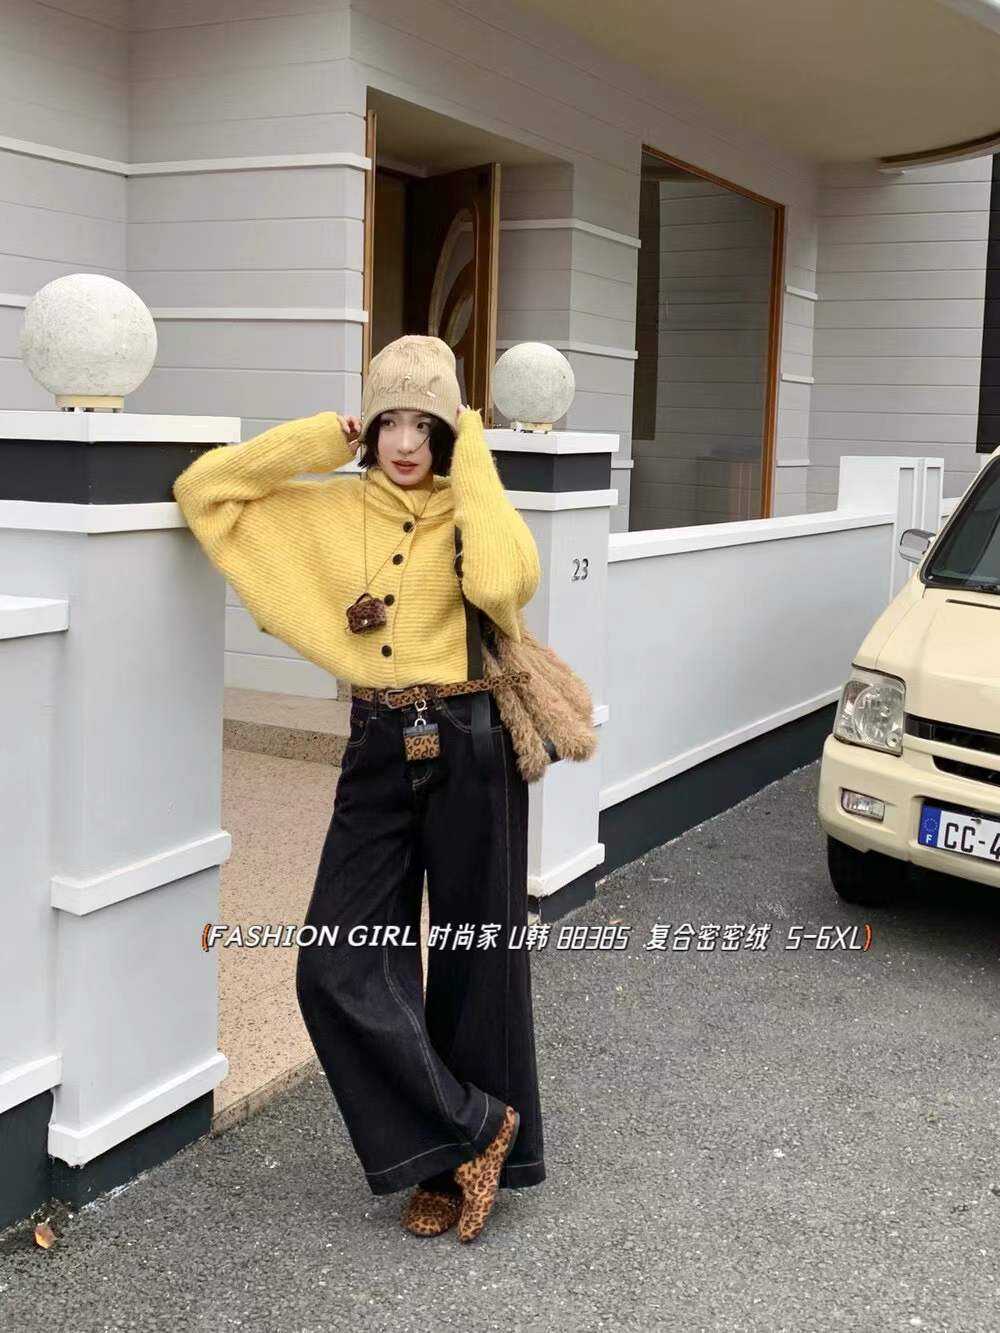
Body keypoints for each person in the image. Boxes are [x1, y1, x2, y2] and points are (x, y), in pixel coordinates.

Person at [172, 335, 546, 1243]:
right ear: (369, 426)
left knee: (474, 955)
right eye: (390, 421)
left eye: (426, 423)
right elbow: (204, 491)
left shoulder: (472, 505)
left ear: (448, 430)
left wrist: (475, 449)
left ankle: (450, 1168)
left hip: (470, 735)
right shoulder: (336, 508)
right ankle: (470, 1128)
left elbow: (505, 584)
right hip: (379, 740)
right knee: (335, 962)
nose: (406, 442)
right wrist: (316, 440)